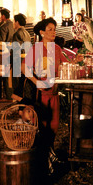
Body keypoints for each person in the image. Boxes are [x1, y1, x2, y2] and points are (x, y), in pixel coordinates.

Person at [21, 18, 68, 157]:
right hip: (41, 94)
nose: (53, 32)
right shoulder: (36, 48)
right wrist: (36, 82)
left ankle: (50, 154)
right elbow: (24, 67)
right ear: (42, 32)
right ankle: (40, 155)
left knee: (54, 125)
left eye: (54, 29)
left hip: (54, 93)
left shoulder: (57, 48)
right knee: (41, 125)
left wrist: (75, 62)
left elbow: (65, 65)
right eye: (50, 29)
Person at [0, 7, 14, 101]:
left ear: (3, 16)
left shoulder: (4, 26)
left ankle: (0, 95)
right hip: (8, 52)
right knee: (6, 75)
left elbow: (1, 41)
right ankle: (7, 95)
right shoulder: (11, 24)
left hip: (1, 53)